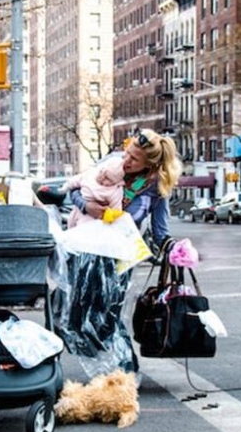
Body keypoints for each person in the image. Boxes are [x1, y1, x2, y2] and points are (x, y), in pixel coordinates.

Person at [54, 128, 181, 375]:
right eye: (127, 153)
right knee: (71, 314)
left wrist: (175, 249)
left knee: (107, 318)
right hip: (84, 251)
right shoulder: (112, 164)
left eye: (134, 159)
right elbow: (77, 187)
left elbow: (160, 232)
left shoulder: (155, 188)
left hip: (118, 259)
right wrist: (86, 206)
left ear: (150, 165)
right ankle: (87, 368)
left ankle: (124, 373)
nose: (126, 160)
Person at [62, 160, 125, 228]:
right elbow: (76, 181)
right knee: (71, 225)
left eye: (107, 179)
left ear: (115, 182)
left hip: (92, 217)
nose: (102, 178)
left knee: (84, 229)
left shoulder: (115, 190)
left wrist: (112, 216)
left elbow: (116, 207)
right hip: (77, 210)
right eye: (102, 173)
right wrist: (66, 187)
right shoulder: (91, 175)